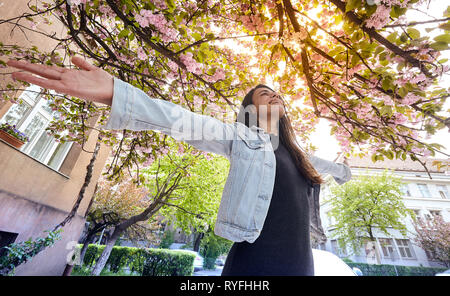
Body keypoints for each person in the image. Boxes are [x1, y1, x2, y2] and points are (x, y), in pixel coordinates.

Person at [6, 56, 351, 275]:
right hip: (255, 265)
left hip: (302, 265)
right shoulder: (241, 140)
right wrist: (115, 91)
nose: (274, 94)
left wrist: (345, 171)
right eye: (264, 93)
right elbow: (181, 120)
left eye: (276, 92)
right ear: (250, 109)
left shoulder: (299, 154)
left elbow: (333, 170)